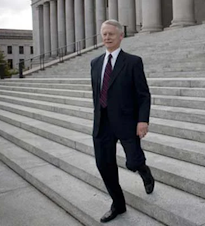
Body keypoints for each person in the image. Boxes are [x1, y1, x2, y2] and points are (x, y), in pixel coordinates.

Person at [90, 19, 155, 223]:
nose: (107, 37)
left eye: (111, 34)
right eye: (104, 34)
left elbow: (143, 94)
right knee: (104, 165)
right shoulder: (95, 63)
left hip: (127, 122)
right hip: (102, 124)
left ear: (120, 36)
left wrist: (142, 121)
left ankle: (144, 171)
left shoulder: (133, 62)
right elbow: (97, 93)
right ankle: (118, 204)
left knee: (133, 161)